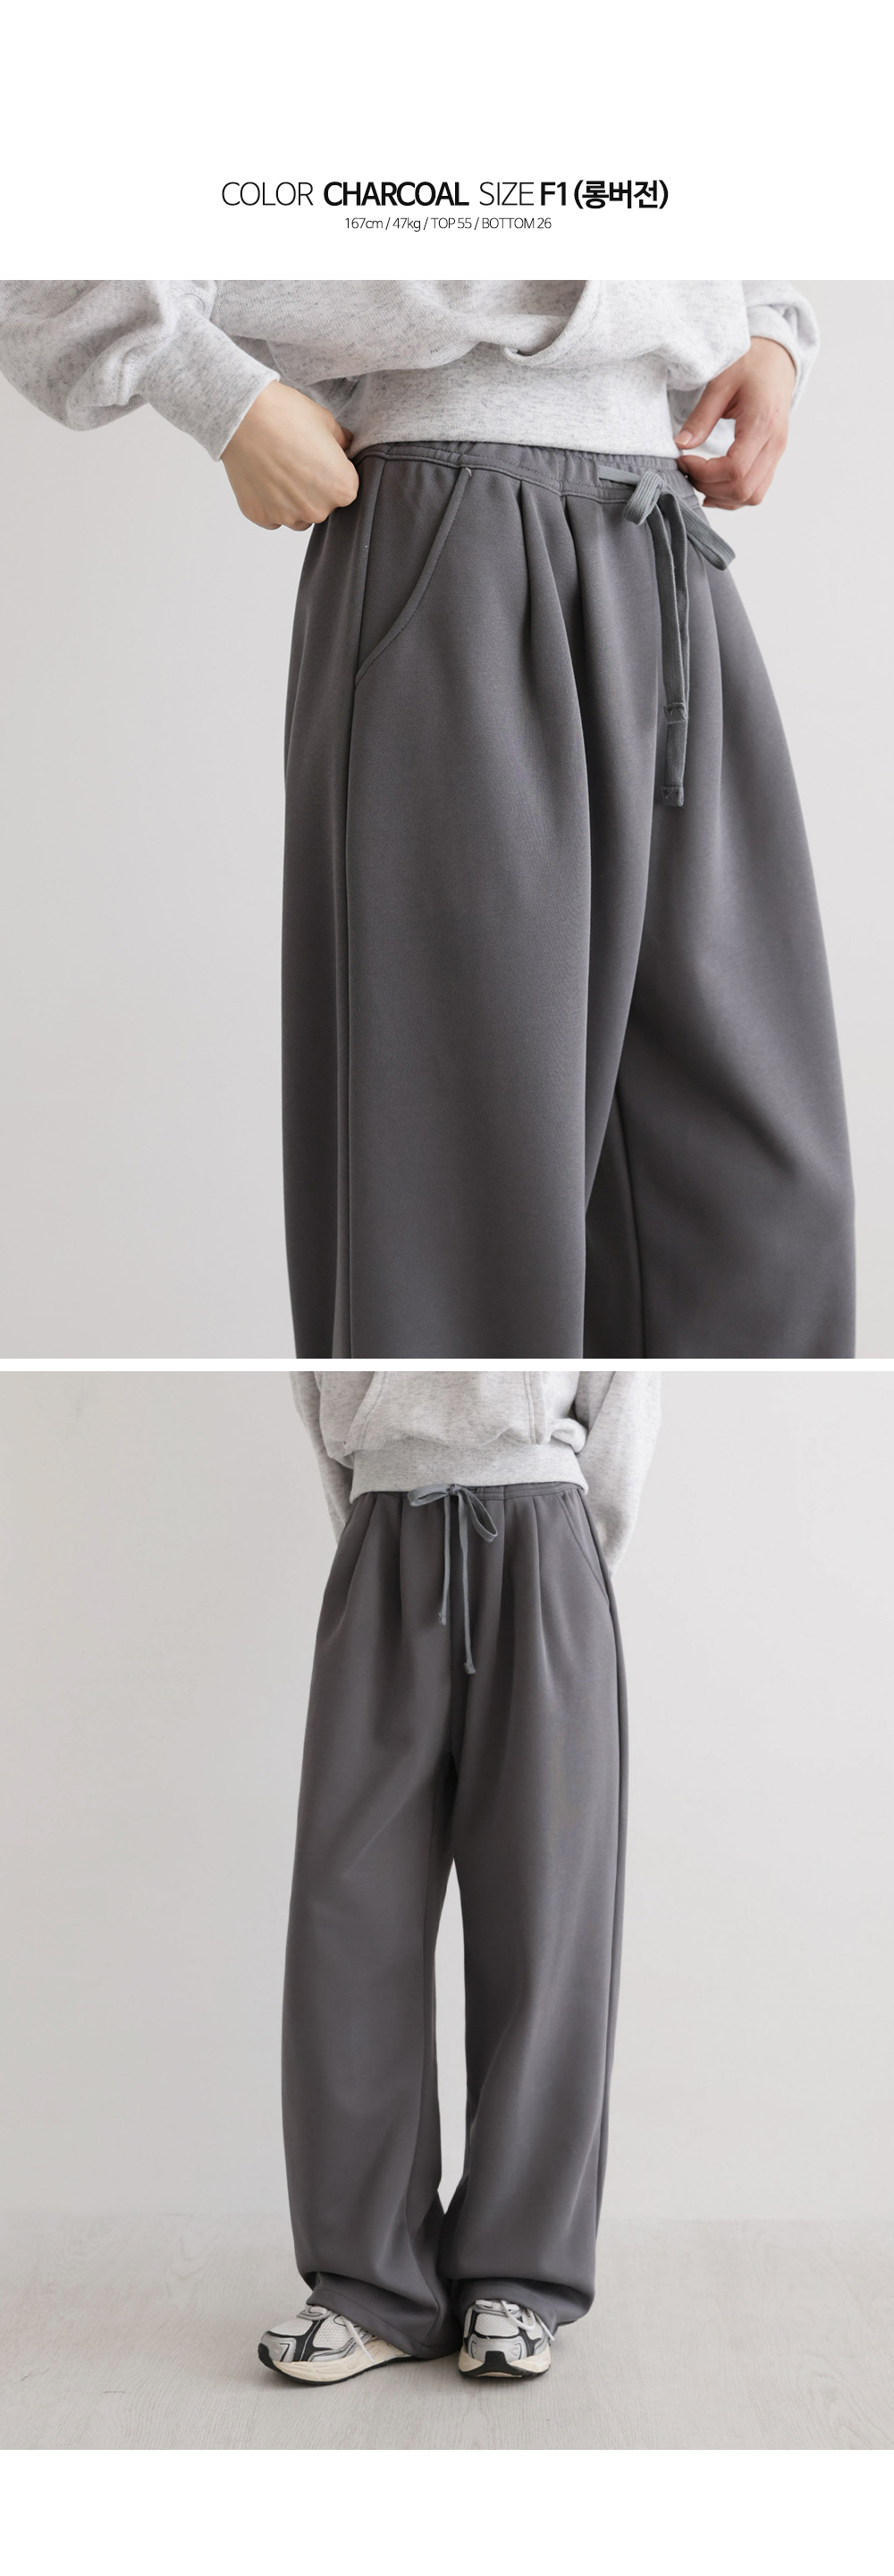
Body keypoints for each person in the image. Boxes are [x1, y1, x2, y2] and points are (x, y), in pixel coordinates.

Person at [0, 277, 856, 1362]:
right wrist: (219, 394)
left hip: (663, 536)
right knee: (460, 1210)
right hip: (452, 529)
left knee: (765, 1203)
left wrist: (769, 331)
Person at [259, 1362, 659, 2386]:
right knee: (349, 1923)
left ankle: (517, 2277)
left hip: (541, 1526)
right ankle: (369, 2284)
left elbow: (624, 1369)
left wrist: (563, 1546)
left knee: (545, 1923)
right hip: (386, 1525)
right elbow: (318, 1370)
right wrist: (379, 1505)